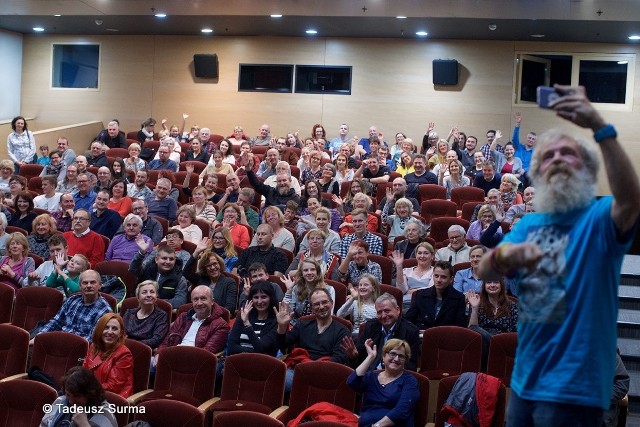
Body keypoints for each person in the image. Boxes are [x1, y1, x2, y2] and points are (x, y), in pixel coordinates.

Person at [478, 85, 640, 426]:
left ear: (586, 169)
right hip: (525, 383)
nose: (556, 159)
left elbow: (631, 201)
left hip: (577, 390)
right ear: (538, 173)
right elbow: (483, 268)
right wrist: (503, 258)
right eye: (547, 156)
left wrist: (599, 125)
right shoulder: (528, 224)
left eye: (567, 153)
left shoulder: (600, 217)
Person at [275, 288, 350, 391]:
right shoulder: (302, 325)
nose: (322, 307)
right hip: (300, 370)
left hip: (325, 373)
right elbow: (283, 345)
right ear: (311, 308)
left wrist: (313, 370)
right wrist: (282, 327)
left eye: (324, 302)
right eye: (316, 304)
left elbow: (339, 358)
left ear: (331, 303)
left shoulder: (342, 330)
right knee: (274, 378)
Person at [347, 338, 420, 427]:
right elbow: (352, 382)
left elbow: (401, 411)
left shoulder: (409, 381)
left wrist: (376, 426)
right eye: (392, 354)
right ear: (383, 356)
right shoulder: (372, 376)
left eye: (401, 356)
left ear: (405, 361)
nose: (396, 359)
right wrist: (370, 357)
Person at [154, 285, 229, 366]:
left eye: (203, 299)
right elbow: (167, 340)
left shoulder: (221, 325)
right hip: (171, 356)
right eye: (195, 299)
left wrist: (176, 358)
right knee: (145, 363)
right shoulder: (183, 317)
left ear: (212, 301)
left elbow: (207, 352)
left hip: (194, 363)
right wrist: (159, 353)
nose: (199, 303)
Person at [32, 270, 112, 344]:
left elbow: (92, 340)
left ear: (100, 285)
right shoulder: (72, 300)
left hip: (78, 349)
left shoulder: (105, 311)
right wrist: (39, 336)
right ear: (80, 286)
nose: (89, 286)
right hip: (58, 341)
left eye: (92, 282)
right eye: (85, 283)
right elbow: (56, 321)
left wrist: (65, 341)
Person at [466, 278, 518, 370]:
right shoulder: (478, 303)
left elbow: (517, 331)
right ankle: (494, 343)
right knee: (475, 331)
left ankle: (495, 343)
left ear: (502, 285)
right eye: (489, 282)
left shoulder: (512, 306)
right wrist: (475, 308)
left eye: (496, 282)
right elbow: (472, 329)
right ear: (484, 286)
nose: (492, 285)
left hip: (505, 342)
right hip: (483, 345)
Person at [40, 366, 118, 427]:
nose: (70, 401)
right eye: (68, 395)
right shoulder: (61, 401)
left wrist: (84, 424)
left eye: (77, 396)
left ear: (90, 394)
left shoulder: (105, 415)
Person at [82, 313, 133, 398]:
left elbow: (113, 386)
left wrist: (86, 389)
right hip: (91, 393)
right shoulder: (94, 346)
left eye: (114, 329)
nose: (109, 332)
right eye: (106, 327)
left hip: (111, 398)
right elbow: (84, 371)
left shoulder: (124, 354)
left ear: (120, 333)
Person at [405, 261, 467, 330]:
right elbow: (408, 321)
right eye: (436, 276)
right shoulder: (420, 295)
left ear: (451, 279)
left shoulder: (459, 298)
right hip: (421, 336)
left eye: (443, 277)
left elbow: (460, 327)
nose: (438, 280)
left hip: (446, 337)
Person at [129, 238, 188, 309]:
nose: (168, 262)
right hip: (139, 308)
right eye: (164, 258)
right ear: (156, 259)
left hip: (162, 312)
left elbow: (180, 301)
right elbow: (133, 269)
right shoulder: (146, 269)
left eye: (171, 259)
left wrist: (152, 302)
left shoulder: (180, 278)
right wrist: (142, 252)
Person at [227, 281, 279, 356]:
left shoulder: (276, 321)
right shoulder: (243, 315)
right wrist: (253, 352)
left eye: (264, 297)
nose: (259, 301)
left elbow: (261, 349)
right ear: (251, 299)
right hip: (238, 362)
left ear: (271, 298)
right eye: (256, 297)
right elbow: (231, 347)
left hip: (263, 364)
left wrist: (247, 324)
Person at [185, 248, 238, 312]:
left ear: (219, 264)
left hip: (218, 318)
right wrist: (196, 253)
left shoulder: (229, 282)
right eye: (208, 265)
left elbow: (230, 308)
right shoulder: (201, 279)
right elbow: (186, 272)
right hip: (199, 315)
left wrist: (211, 315)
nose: (212, 267)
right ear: (205, 269)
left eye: (215, 263)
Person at [123, 280, 169, 349]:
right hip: (124, 348)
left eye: (152, 292)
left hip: (144, 351)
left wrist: (133, 344)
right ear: (138, 297)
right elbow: (120, 333)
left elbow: (156, 340)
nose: (149, 295)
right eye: (144, 292)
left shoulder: (161, 316)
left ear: (156, 296)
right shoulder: (129, 313)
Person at [392, 242, 435, 311]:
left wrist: (410, 291)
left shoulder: (435, 272)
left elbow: (431, 291)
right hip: (404, 304)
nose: (422, 256)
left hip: (425, 305)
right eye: (419, 253)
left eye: (426, 253)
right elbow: (402, 291)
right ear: (416, 255)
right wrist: (399, 267)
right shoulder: (406, 271)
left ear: (432, 255)